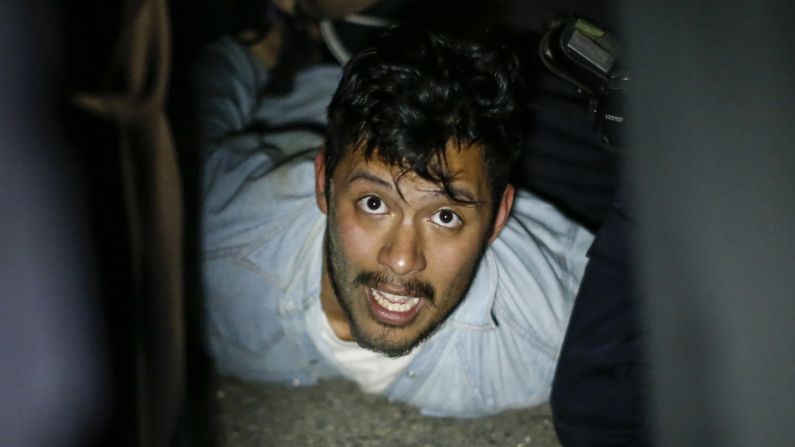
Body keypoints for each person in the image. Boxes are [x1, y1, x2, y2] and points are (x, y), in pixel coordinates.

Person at [196, 24, 593, 417]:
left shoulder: (551, 338)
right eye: (373, 204)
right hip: (291, 107)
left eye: (444, 215)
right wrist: (252, 52)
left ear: (498, 218)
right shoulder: (219, 249)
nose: (402, 260)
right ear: (323, 184)